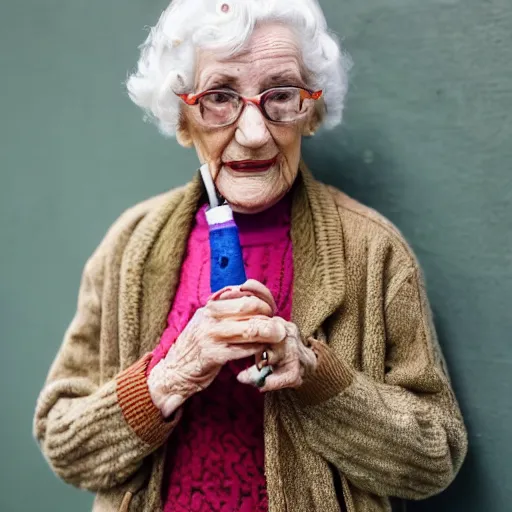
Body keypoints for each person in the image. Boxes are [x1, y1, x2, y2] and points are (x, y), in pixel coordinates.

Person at [33, 0, 468, 511]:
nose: (255, 133)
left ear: (311, 111)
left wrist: (315, 375)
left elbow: (434, 457)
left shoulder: (374, 251)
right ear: (182, 117)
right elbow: (66, 447)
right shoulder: (129, 246)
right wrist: (168, 379)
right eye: (219, 96)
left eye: (281, 95)